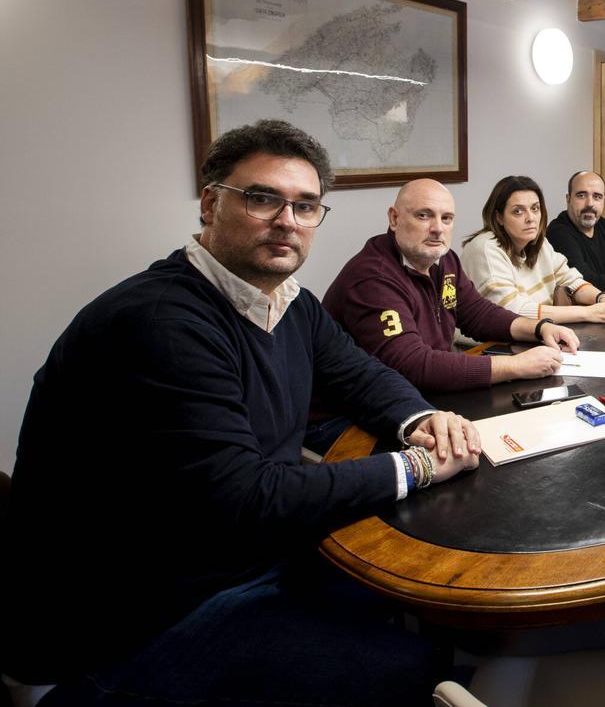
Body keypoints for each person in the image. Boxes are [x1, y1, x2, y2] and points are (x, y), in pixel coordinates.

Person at [2, 120, 480, 704]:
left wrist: (419, 420)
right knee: (420, 664)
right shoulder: (161, 323)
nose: (287, 221)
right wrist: (419, 468)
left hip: (237, 558)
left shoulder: (289, 302)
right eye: (262, 199)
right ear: (210, 203)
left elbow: (360, 373)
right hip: (138, 616)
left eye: (306, 207)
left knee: (436, 614)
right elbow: (247, 497)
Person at [323, 179, 581, 392]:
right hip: (349, 418)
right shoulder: (374, 278)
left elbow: (478, 313)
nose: (437, 229)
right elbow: (411, 365)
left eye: (446, 219)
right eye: (424, 216)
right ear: (394, 218)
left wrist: (539, 328)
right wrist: (515, 366)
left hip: (419, 393)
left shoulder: (443, 259)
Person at [462, 175, 605, 324]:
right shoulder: (484, 248)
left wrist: (602, 298)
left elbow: (572, 279)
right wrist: (587, 312)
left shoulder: (539, 244)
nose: (530, 218)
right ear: (499, 217)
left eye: (535, 209)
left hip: (533, 335)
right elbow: (512, 311)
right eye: (518, 211)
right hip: (480, 349)